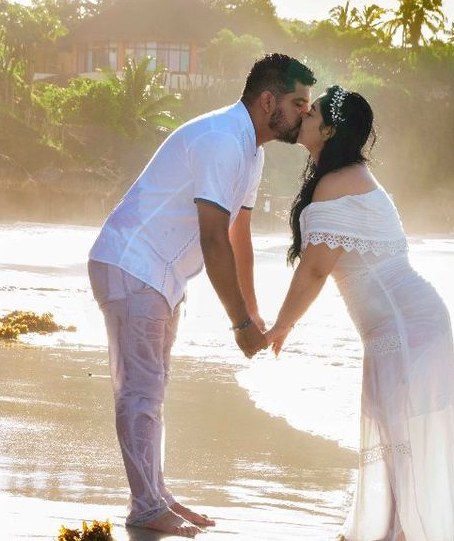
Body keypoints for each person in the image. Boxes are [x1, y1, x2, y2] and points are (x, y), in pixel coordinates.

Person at [87, 54, 315, 536]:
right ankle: (147, 507)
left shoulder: (252, 148)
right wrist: (238, 325)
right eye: (299, 103)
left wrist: (252, 313)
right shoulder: (221, 140)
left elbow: (239, 236)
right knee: (140, 390)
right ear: (268, 100)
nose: (304, 114)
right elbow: (214, 239)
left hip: (160, 274)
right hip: (133, 263)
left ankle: (154, 495)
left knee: (152, 389)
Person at [265, 86, 454, 541]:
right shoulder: (346, 176)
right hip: (408, 323)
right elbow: (317, 267)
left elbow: (316, 270)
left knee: (399, 440)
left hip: (404, 327)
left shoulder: (336, 185)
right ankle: (394, 532)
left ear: (329, 130)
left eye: (312, 111)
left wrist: (282, 324)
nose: (303, 112)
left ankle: (400, 535)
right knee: (396, 438)